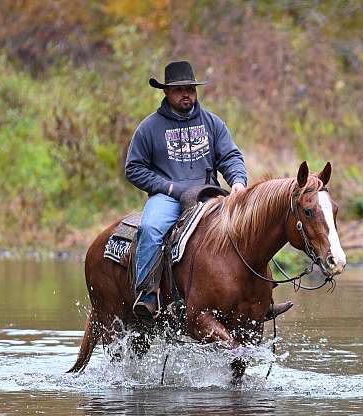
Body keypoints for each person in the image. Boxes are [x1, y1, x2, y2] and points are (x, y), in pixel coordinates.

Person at [125, 60, 292, 321]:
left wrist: (238, 181)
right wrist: (168, 186)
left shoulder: (212, 123)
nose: (186, 94)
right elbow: (134, 168)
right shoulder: (149, 128)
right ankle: (147, 293)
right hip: (167, 197)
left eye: (190, 88)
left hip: (210, 195)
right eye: (179, 89)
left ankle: (262, 297)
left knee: (250, 228)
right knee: (151, 228)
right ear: (166, 92)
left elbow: (230, 157)